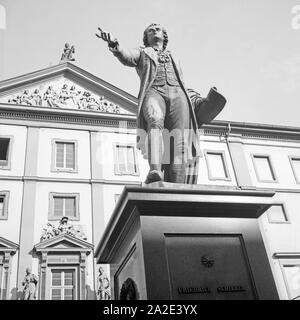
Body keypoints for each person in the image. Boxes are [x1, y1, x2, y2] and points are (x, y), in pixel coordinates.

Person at [96, 24, 204, 184]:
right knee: (154, 121)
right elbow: (126, 56)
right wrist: (114, 45)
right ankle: (155, 170)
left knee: (178, 141)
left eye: (158, 29)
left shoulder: (174, 56)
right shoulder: (142, 52)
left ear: (164, 35)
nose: (154, 31)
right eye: (150, 30)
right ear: (146, 37)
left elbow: (181, 81)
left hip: (178, 95)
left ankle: (178, 184)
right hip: (154, 91)